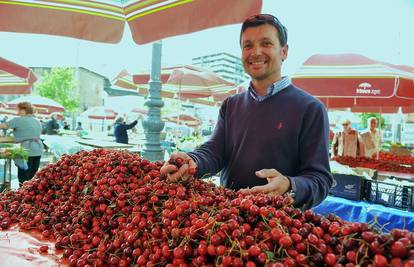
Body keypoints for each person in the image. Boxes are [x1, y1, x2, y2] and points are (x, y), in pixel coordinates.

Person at [160, 14, 333, 210]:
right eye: (248, 45)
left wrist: (289, 185)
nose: (256, 52)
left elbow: (320, 179)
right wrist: (193, 161)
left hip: (279, 228)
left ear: (284, 51)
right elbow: (216, 151)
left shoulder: (310, 109)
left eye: (266, 43)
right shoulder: (231, 105)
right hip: (228, 221)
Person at [0, 102, 43, 184]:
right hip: (38, 149)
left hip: (25, 150)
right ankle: (31, 195)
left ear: (24, 110)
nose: (17, 111)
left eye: (19, 109)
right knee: (33, 177)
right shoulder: (37, 121)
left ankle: (23, 195)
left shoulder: (18, 120)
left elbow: (3, 126)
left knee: (23, 178)